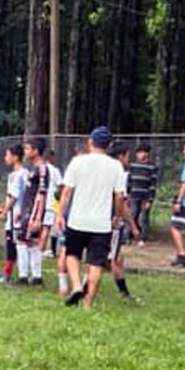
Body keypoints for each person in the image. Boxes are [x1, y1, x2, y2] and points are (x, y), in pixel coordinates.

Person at [55, 126, 126, 307]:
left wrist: (60, 214)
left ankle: (76, 285)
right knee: (96, 263)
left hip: (77, 220)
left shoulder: (78, 162)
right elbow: (119, 196)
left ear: (90, 141)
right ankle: (88, 303)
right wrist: (117, 216)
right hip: (101, 223)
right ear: (109, 145)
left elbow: (66, 192)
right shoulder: (116, 166)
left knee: (72, 254)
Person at [107, 142, 141, 299]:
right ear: (121, 156)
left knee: (117, 258)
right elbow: (121, 201)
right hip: (111, 221)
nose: (129, 159)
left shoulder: (103, 169)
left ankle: (124, 293)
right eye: (127, 156)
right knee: (111, 259)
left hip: (96, 218)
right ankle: (85, 289)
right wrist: (131, 224)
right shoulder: (119, 172)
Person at [16, 137, 50, 287]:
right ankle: (36, 278)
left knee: (22, 240)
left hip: (33, 211)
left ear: (35, 151)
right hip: (27, 209)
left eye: (27, 148)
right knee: (30, 241)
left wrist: (37, 217)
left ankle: (25, 277)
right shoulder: (33, 168)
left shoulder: (42, 169)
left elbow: (42, 194)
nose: (25, 151)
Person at [0, 145, 26, 284]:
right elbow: (10, 196)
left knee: (13, 245)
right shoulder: (18, 174)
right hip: (16, 214)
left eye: (7, 155)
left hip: (15, 216)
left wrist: (5, 211)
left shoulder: (19, 175)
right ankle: (10, 273)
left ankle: (9, 275)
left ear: (15, 157)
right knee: (13, 244)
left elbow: (15, 196)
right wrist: (2, 207)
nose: (5, 158)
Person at [127, 144, 158, 245]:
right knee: (132, 215)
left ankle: (143, 238)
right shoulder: (132, 166)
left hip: (145, 196)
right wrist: (127, 194)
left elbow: (153, 184)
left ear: (147, 154)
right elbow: (129, 181)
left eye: (142, 152)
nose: (140, 155)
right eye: (138, 152)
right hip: (133, 195)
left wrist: (150, 200)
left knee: (144, 217)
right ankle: (129, 236)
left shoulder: (152, 167)